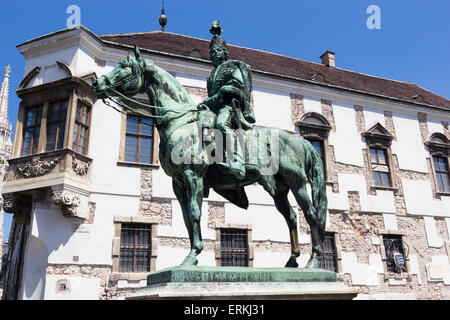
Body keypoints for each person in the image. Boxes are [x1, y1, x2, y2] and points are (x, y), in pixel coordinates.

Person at [200, 20, 256, 179]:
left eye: (217, 50)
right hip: (214, 108)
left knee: (221, 124)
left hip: (229, 106)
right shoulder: (211, 75)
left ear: (224, 52)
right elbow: (211, 96)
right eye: (212, 52)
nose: (213, 54)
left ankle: (237, 162)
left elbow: (236, 86)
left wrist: (217, 97)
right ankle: (205, 167)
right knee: (200, 127)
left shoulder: (232, 66)